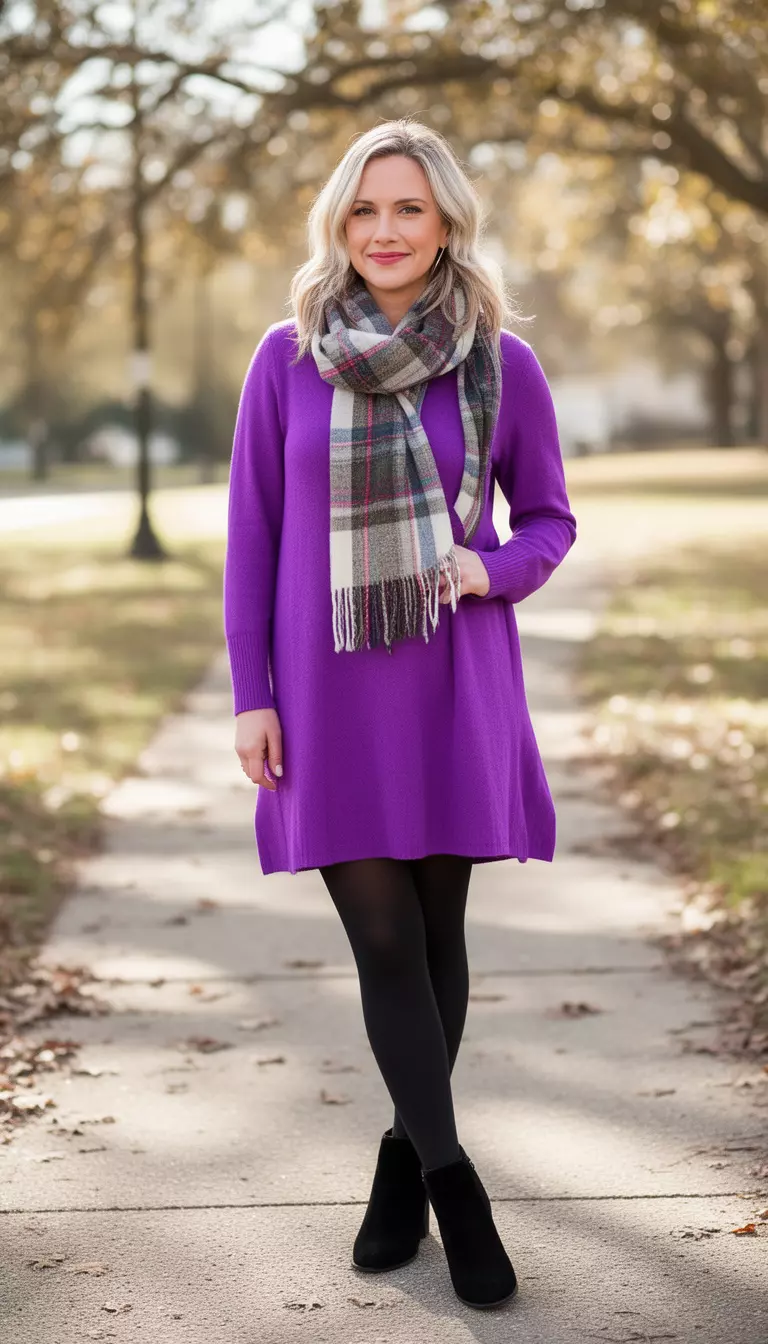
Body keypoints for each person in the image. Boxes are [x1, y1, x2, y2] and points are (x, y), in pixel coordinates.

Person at [223, 118, 577, 1310]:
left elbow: (549, 521)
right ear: (340, 218)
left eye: (409, 210)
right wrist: (251, 696)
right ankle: (456, 1181)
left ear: (445, 225)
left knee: (436, 935)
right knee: (381, 939)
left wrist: (493, 570)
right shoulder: (288, 358)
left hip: (450, 672)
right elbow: (253, 541)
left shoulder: (500, 365)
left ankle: (398, 1160)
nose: (384, 231)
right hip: (327, 684)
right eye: (366, 209)